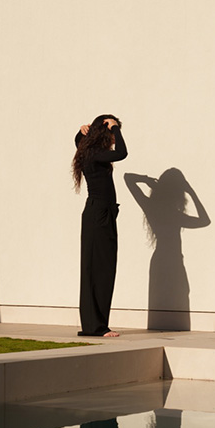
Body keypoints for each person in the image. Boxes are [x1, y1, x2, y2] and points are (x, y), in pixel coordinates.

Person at [73, 114, 128, 337]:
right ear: (105, 133)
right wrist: (115, 129)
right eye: (112, 133)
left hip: (102, 214)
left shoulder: (90, 151)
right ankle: (95, 327)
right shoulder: (94, 153)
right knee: (96, 270)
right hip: (98, 215)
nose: (114, 139)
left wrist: (81, 131)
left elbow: (78, 140)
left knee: (103, 269)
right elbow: (122, 153)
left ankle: (97, 325)